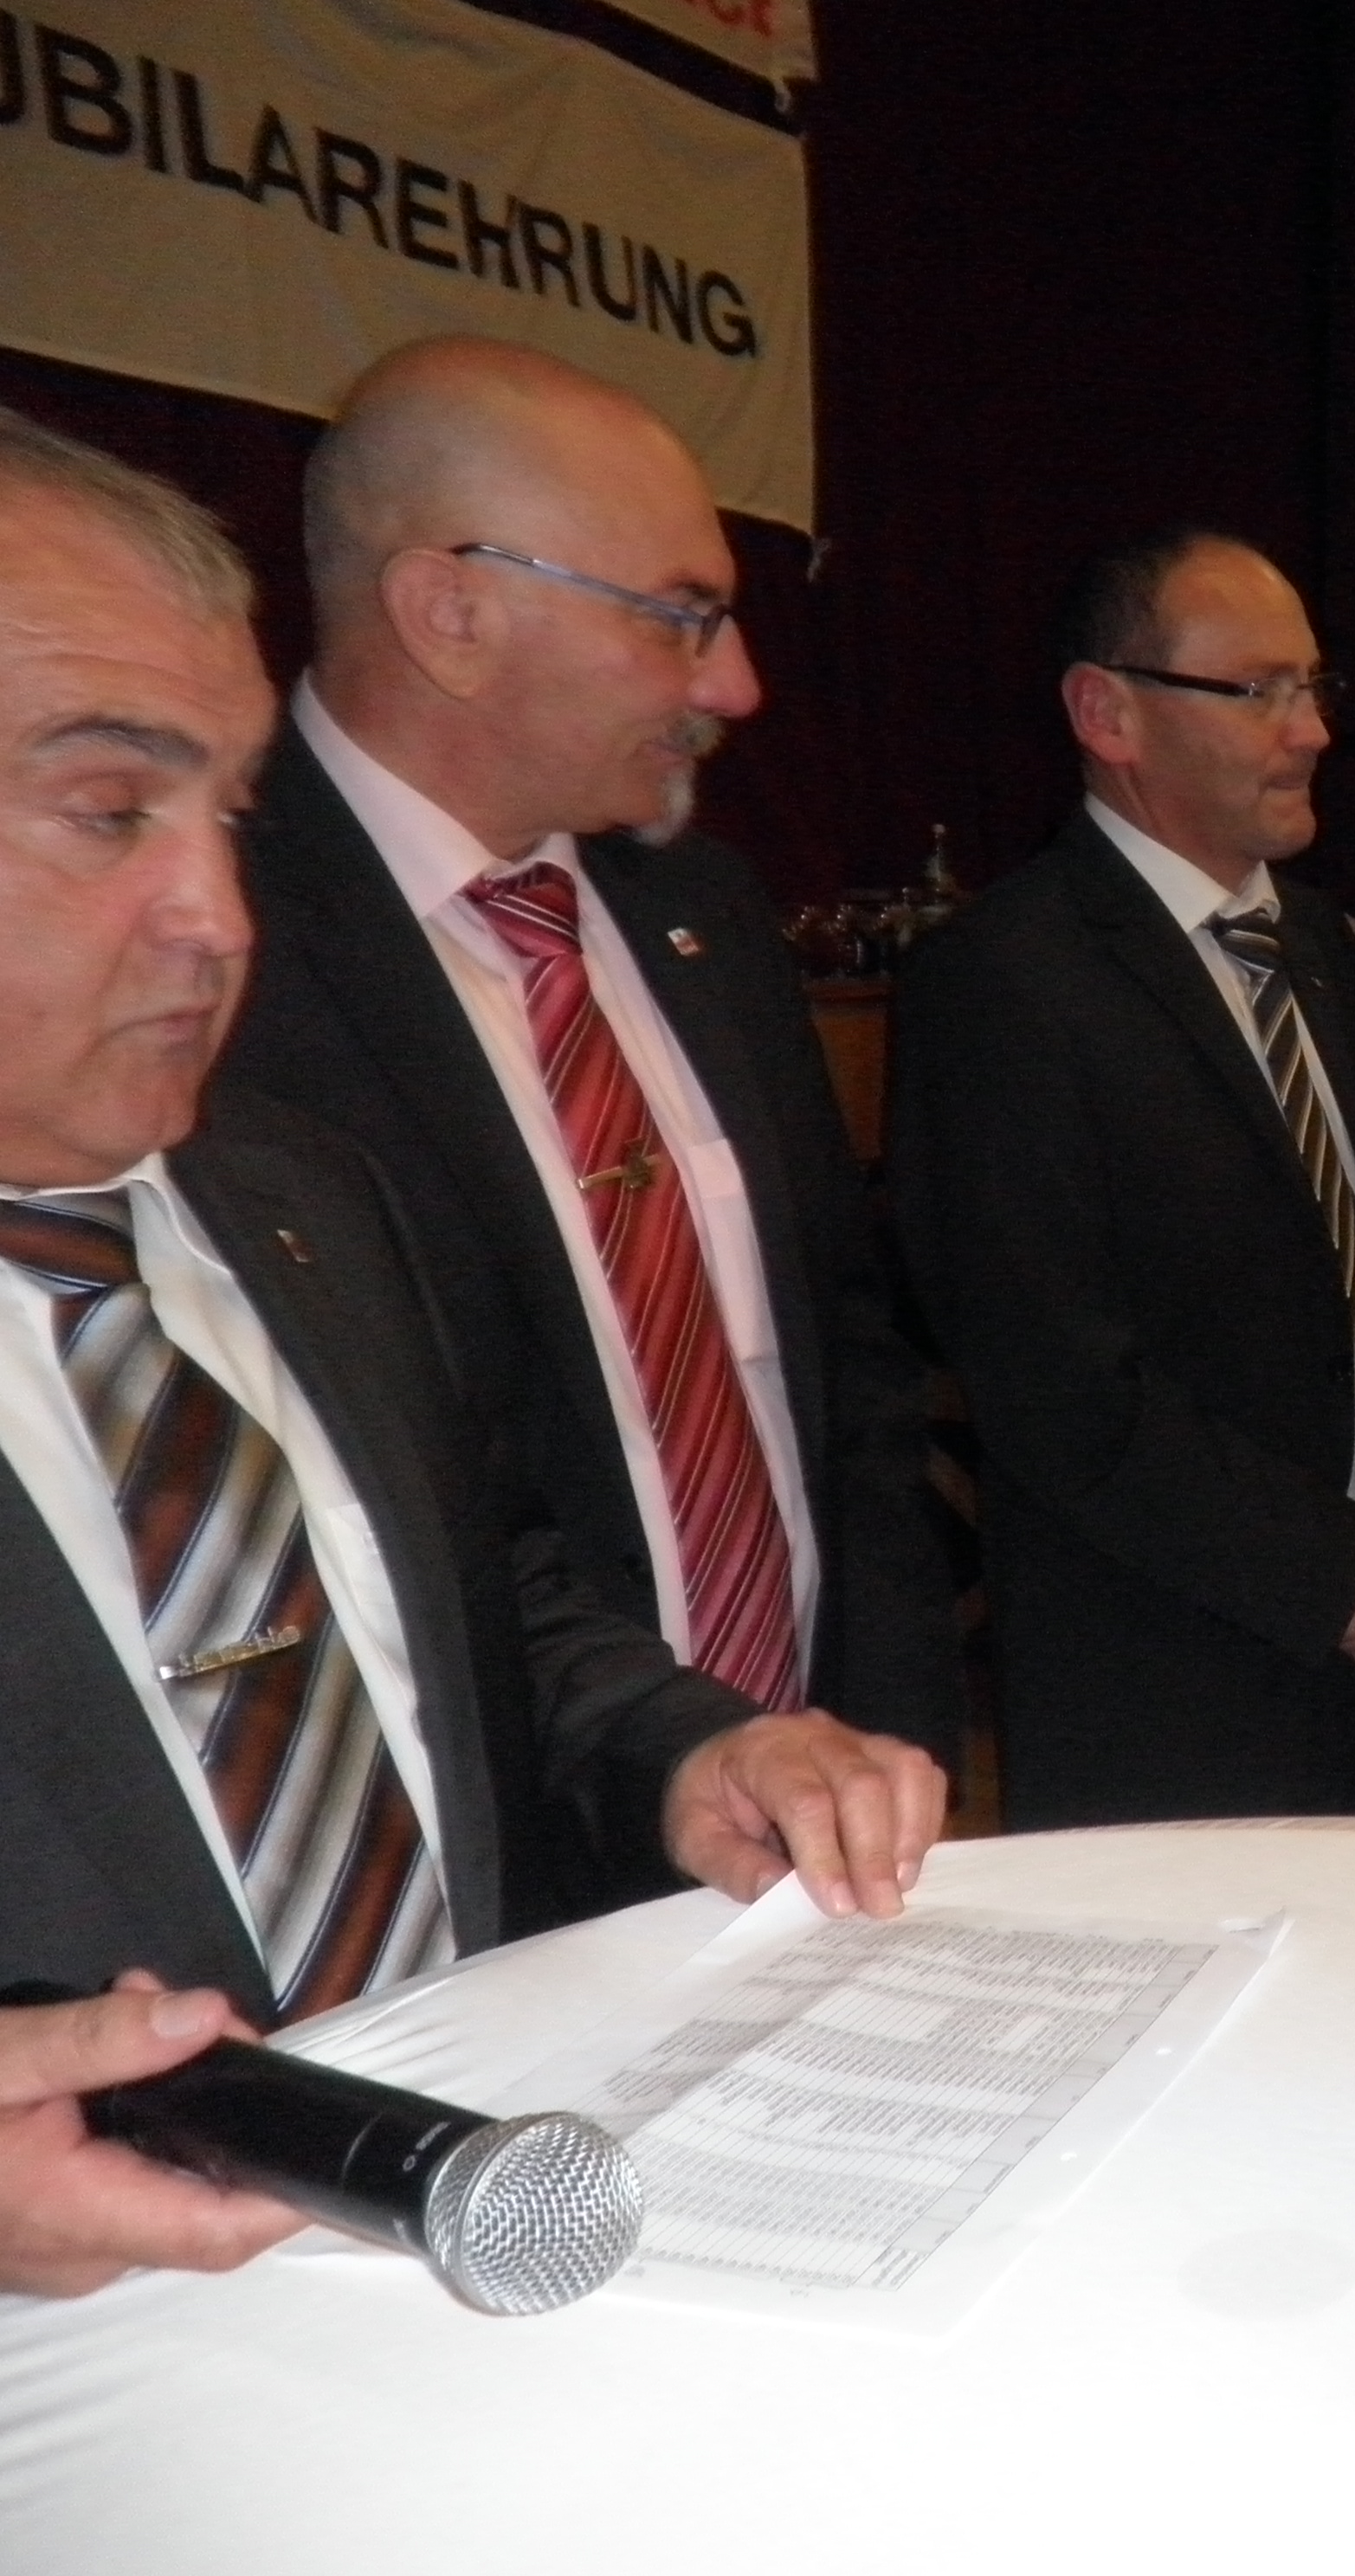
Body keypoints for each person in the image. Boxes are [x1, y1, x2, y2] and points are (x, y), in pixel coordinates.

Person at [0, 407, 941, 2296]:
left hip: (475, 2217)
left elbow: (478, 1586)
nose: (219, 918)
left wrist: (686, 1745)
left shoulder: (295, 1193)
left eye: (229, 817)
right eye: (110, 811)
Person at [218, 337, 959, 1891]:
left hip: (827, 1821)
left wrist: (885, 1739)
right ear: (452, 613)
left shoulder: (703, 908)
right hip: (503, 1864)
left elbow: (851, 1377)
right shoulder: (217, 955)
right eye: (680, 615)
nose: (736, 685)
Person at [887, 531, 1355, 1825]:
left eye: (1314, 686)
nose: (1313, 730)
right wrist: (1342, 1570)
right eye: (1259, 690)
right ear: (1107, 714)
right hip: (1154, 1677)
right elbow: (1057, 1382)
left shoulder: (1316, 941)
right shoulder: (1004, 980)